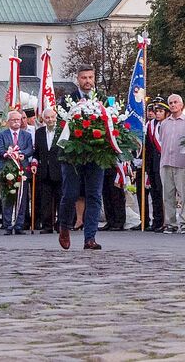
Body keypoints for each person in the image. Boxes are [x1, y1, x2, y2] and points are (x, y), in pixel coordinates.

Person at [57, 65, 106, 250]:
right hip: (72, 156)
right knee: (70, 194)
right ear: (78, 79)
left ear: (94, 78)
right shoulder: (67, 100)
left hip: (97, 154)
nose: (87, 81)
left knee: (94, 195)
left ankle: (90, 238)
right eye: (84, 77)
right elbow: (61, 127)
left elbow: (111, 124)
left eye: (90, 77)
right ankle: (64, 226)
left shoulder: (102, 100)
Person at [158, 94, 185, 235]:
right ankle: (170, 223)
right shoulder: (164, 123)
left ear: (181, 104)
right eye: (171, 103)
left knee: (184, 194)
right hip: (166, 162)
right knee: (168, 195)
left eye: (175, 102)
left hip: (182, 162)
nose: (173, 105)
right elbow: (162, 140)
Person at [0, 110, 35, 236]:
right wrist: (9, 154)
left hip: (22, 169)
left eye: (18, 120)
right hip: (7, 169)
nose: (16, 122)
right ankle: (7, 225)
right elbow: (0, 150)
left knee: (22, 198)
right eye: (13, 120)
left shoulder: (26, 135)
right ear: (8, 122)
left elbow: (30, 149)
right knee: (8, 197)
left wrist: (20, 153)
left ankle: (19, 225)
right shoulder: (2, 135)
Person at [32, 108, 63, 234]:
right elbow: (37, 152)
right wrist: (34, 162)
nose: (50, 120)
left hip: (59, 170)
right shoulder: (39, 132)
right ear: (43, 119)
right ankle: (47, 225)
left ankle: (61, 224)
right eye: (47, 118)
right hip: (44, 171)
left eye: (52, 117)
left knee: (61, 199)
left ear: (56, 117)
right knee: (46, 200)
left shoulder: (62, 131)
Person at [143, 98, 168, 232]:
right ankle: (157, 220)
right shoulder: (150, 125)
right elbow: (147, 146)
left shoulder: (167, 124)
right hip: (153, 163)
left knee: (164, 192)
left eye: (160, 111)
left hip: (163, 161)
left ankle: (165, 221)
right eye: (155, 111)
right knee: (155, 193)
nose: (157, 114)